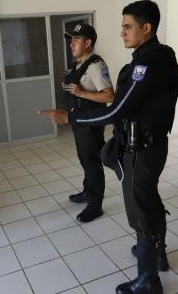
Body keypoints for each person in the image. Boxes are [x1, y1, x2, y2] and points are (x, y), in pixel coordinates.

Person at [39, 0, 178, 294]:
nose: (122, 33)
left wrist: (72, 117)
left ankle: (147, 281)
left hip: (143, 148)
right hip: (143, 143)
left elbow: (116, 108)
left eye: (127, 26)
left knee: (140, 209)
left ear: (146, 28)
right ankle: (157, 255)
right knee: (149, 201)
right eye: (122, 26)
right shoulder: (151, 57)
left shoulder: (150, 63)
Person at [62, 23, 115, 223]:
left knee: (92, 162)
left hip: (91, 124)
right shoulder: (80, 64)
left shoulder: (96, 66)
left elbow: (109, 96)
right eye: (71, 40)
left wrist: (81, 92)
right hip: (80, 121)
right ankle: (87, 192)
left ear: (88, 42)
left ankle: (96, 205)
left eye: (76, 40)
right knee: (84, 158)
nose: (71, 44)